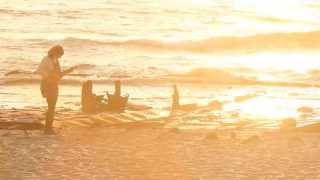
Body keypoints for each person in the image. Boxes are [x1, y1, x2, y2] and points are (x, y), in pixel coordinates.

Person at [36, 45, 76, 134]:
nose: (60, 57)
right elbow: (39, 71)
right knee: (51, 107)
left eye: (61, 55)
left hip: (54, 85)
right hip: (47, 85)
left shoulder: (56, 60)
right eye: (59, 54)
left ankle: (48, 128)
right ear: (54, 52)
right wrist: (49, 76)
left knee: (52, 107)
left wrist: (69, 71)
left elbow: (58, 75)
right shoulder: (46, 59)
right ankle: (47, 129)